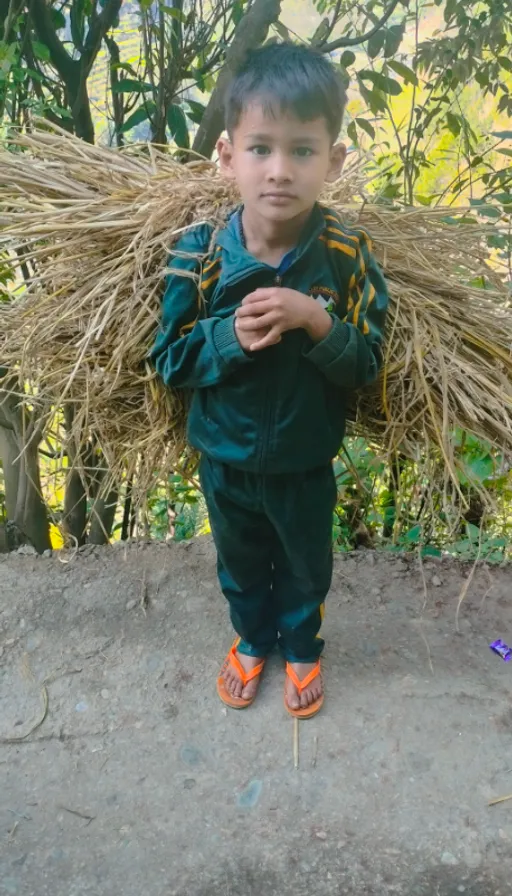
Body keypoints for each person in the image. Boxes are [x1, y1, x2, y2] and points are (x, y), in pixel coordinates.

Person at [151, 42, 389, 719]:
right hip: (223, 457)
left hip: (306, 459)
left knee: (308, 563)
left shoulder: (345, 256)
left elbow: (369, 364)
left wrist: (318, 322)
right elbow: (168, 359)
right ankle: (254, 638)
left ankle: (303, 644)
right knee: (240, 561)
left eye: (303, 150)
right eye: (261, 148)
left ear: (334, 160)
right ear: (227, 155)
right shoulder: (197, 254)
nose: (280, 170)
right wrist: (227, 337)